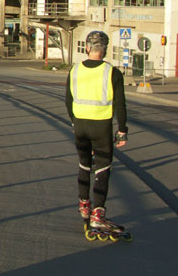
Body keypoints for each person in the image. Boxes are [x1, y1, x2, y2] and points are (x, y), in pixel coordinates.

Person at [66, 30, 128, 232]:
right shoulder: (112, 72)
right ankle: (98, 213)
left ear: (87, 48)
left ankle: (84, 205)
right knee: (102, 167)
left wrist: (74, 121)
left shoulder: (74, 70)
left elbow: (68, 100)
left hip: (81, 126)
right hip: (101, 126)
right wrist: (122, 131)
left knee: (84, 165)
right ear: (105, 49)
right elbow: (120, 104)